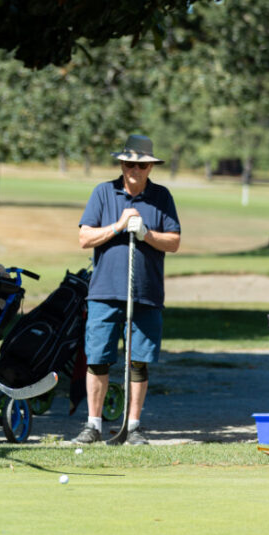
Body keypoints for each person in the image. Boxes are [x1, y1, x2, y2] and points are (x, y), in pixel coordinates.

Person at [72, 134, 181, 446]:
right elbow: (84, 238)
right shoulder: (103, 193)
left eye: (142, 164)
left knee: (138, 361)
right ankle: (93, 425)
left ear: (150, 167)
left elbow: (173, 242)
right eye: (130, 163)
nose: (136, 169)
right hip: (105, 291)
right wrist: (118, 227)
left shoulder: (162, 197)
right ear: (122, 164)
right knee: (97, 358)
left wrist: (146, 233)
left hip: (145, 293)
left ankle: (133, 426)